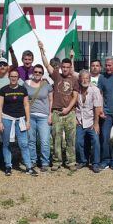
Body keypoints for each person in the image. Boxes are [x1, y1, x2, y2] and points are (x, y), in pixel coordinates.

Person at [39, 41, 78, 171]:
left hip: (70, 112)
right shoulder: (56, 75)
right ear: (61, 67)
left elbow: (75, 97)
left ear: (70, 67)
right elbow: (46, 64)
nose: (65, 69)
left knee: (70, 139)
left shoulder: (74, 79)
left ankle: (71, 162)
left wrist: (68, 109)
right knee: (56, 139)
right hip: (57, 112)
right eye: (64, 67)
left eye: (68, 67)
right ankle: (57, 162)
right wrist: (41, 50)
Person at [0, 68, 32, 176]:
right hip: (7, 119)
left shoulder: (23, 89)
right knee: (6, 144)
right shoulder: (3, 90)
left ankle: (29, 167)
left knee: (24, 144)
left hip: (20, 119)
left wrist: (28, 121)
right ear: (9, 77)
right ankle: (8, 166)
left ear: (18, 78)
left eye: (15, 76)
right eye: (11, 76)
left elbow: (26, 105)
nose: (13, 78)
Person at [25, 64, 53, 172]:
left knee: (45, 140)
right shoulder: (26, 84)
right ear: (33, 72)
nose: (37, 74)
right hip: (30, 116)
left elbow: (51, 100)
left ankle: (45, 162)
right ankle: (33, 160)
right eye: (35, 72)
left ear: (42, 74)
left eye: (40, 72)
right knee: (31, 140)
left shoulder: (46, 85)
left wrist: (50, 114)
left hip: (43, 117)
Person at [75, 69, 102, 171]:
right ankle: (82, 161)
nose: (85, 80)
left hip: (91, 121)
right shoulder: (76, 90)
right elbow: (73, 104)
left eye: (87, 78)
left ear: (90, 79)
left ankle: (95, 163)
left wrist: (96, 124)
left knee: (95, 141)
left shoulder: (95, 90)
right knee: (78, 142)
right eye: (83, 78)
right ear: (79, 79)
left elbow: (97, 108)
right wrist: (75, 118)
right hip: (80, 121)